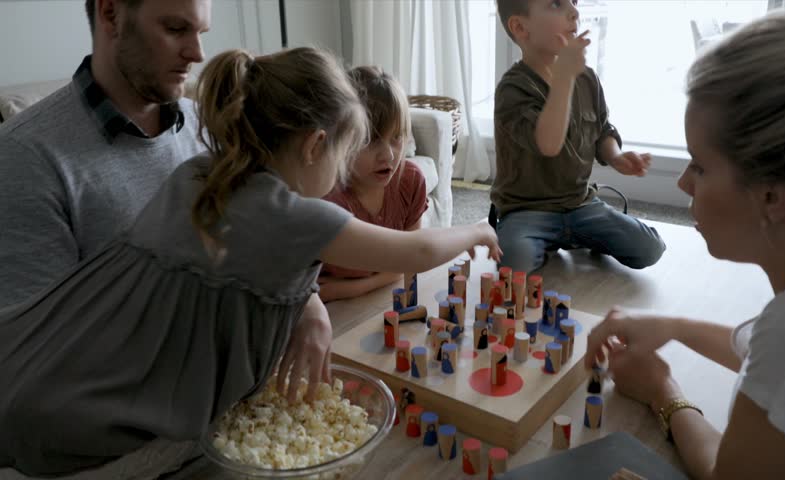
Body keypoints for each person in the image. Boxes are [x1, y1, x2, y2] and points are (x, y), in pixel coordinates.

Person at [0, 47, 500, 478]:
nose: (343, 171)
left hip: (45, 365)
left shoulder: (203, 171)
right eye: (346, 152)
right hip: (94, 409)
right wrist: (478, 228)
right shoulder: (288, 213)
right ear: (314, 147)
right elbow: (413, 251)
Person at [585, 12, 785, 479]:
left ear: (771, 196)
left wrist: (662, 390)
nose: (686, 184)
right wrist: (674, 325)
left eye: (701, 167)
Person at [0, 0, 210, 309]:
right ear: (111, 14)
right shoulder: (23, 157)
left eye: (201, 32)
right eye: (176, 29)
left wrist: (305, 302)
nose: (198, 53)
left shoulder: (212, 127)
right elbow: (44, 344)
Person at [492, 0, 665, 273]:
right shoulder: (513, 89)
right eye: (556, 4)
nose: (574, 11)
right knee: (514, 264)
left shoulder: (587, 79)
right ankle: (551, 240)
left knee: (650, 248)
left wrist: (617, 157)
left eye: (573, 2)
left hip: (581, 204)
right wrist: (563, 78)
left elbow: (602, 129)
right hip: (527, 210)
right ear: (520, 27)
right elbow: (548, 144)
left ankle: (578, 235)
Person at [319, 66, 427, 302]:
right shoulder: (326, 198)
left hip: (377, 301)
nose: (388, 155)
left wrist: (349, 288)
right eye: (370, 140)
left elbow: (411, 260)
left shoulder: (410, 181)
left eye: (396, 137)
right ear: (341, 138)